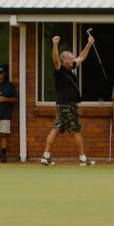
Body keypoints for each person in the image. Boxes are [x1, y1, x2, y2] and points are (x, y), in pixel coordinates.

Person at [41, 34, 95, 166]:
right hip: (67, 105)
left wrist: (88, 45)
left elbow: (81, 57)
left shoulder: (70, 68)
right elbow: (55, 59)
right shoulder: (60, 69)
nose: (73, 60)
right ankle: (82, 159)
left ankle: (45, 156)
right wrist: (54, 45)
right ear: (64, 60)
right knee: (76, 130)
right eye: (70, 59)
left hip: (63, 105)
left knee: (56, 128)